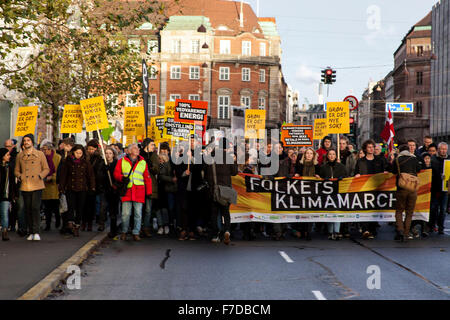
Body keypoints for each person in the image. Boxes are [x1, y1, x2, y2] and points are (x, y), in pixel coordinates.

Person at [14, 134, 49, 241]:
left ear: (32, 142)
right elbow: (16, 170)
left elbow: (46, 169)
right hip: (25, 185)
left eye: (28, 140)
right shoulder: (20, 155)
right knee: (27, 209)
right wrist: (20, 176)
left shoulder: (40, 154)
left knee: (35, 207)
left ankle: (36, 231)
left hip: (37, 184)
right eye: (24, 140)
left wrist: (40, 176)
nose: (26, 142)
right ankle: (30, 231)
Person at [114, 143, 152, 241]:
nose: (137, 149)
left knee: (138, 214)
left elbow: (147, 177)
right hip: (127, 191)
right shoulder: (122, 161)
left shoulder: (143, 161)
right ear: (129, 151)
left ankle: (136, 232)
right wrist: (122, 178)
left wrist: (149, 191)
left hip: (139, 191)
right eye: (135, 148)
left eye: (138, 148)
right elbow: (116, 173)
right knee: (125, 214)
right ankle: (124, 231)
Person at [204, 138, 238, 245]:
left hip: (213, 189)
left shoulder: (211, 157)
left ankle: (215, 235)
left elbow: (205, 173)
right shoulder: (228, 158)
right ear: (227, 147)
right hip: (226, 190)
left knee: (214, 214)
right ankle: (227, 231)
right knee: (225, 213)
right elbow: (235, 172)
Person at [59, 145, 95, 236]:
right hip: (70, 187)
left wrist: (92, 187)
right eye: (77, 153)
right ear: (73, 152)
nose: (78, 155)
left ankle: (77, 225)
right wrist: (61, 187)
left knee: (80, 208)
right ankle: (70, 222)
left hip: (82, 188)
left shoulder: (86, 162)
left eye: (80, 153)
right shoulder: (68, 161)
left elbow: (90, 175)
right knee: (70, 206)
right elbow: (63, 175)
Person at [355, 139, 388, 239]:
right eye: (369, 147)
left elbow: (384, 171)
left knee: (374, 209)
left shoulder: (379, 160)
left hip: (376, 188)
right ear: (365, 149)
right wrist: (357, 175)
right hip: (364, 189)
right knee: (365, 209)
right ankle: (365, 229)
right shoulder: (360, 161)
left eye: (372, 147)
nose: (371, 149)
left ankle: (372, 229)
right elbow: (356, 173)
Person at [391, 145, 422, 241]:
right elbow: (419, 169)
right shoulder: (414, 159)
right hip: (412, 188)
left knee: (399, 211)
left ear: (400, 151)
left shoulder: (397, 160)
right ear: (409, 150)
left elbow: (393, 171)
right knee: (409, 212)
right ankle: (406, 233)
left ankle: (399, 230)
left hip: (401, 188)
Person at [320, 149, 348, 240]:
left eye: (333, 154)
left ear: (336, 156)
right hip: (327, 192)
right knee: (329, 212)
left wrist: (342, 178)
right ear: (327, 156)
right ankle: (330, 231)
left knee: (337, 211)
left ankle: (336, 231)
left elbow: (346, 178)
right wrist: (324, 179)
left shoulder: (341, 167)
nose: (332, 156)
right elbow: (320, 178)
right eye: (330, 154)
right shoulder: (323, 167)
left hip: (338, 191)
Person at [294, 147, 321, 240]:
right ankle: (301, 230)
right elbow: (296, 173)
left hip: (312, 192)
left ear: (313, 155)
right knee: (302, 211)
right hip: (301, 191)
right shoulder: (300, 165)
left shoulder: (317, 166)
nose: (309, 155)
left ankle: (308, 231)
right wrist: (297, 175)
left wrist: (318, 177)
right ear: (304, 155)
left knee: (310, 212)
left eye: (311, 153)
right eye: (307, 153)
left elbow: (322, 178)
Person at [140, 138, 160, 237]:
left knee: (148, 209)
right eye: (152, 145)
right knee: (139, 209)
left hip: (150, 185)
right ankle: (138, 227)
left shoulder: (154, 155)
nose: (154, 147)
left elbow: (157, 170)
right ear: (146, 145)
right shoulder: (139, 154)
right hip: (139, 185)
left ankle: (146, 227)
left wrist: (151, 165)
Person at [85, 139, 105, 232]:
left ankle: (98, 220)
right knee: (88, 205)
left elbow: (100, 172)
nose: (90, 151)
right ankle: (86, 221)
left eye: (92, 149)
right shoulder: (85, 158)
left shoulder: (100, 159)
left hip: (98, 185)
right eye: (89, 149)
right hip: (86, 185)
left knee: (98, 204)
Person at [40, 143, 61, 231]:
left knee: (55, 206)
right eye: (43, 149)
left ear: (50, 149)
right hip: (45, 185)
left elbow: (59, 171)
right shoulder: (41, 158)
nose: (44, 151)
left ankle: (58, 219)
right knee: (47, 207)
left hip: (54, 186)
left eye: (45, 149)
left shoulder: (57, 158)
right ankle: (48, 224)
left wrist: (52, 177)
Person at [429, 142, 449, 235]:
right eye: (442, 149)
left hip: (445, 189)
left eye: (445, 149)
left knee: (443, 209)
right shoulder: (433, 160)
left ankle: (441, 227)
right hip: (435, 188)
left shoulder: (449, 160)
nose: (443, 150)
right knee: (434, 208)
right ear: (438, 149)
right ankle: (432, 225)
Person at [158, 153, 177, 236]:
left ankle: (167, 224)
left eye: (161, 159)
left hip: (166, 189)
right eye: (159, 159)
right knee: (160, 208)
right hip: (160, 189)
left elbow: (162, 176)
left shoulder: (166, 165)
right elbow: (161, 176)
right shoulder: (159, 166)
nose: (160, 160)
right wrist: (171, 179)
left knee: (167, 208)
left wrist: (171, 179)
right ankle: (162, 225)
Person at [103, 146, 120, 238]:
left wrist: (116, 185)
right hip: (106, 190)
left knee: (114, 211)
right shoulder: (103, 164)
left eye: (110, 153)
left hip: (114, 190)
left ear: (113, 155)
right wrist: (104, 171)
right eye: (106, 153)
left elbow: (119, 176)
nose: (108, 155)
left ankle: (113, 230)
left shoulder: (117, 163)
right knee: (106, 209)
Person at [1, 148, 16, 241]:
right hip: (3, 193)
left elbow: (12, 183)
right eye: (7, 155)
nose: (9, 156)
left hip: (5, 195)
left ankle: (5, 231)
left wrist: (13, 194)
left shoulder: (9, 167)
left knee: (4, 213)